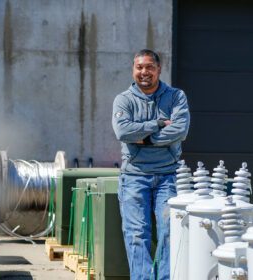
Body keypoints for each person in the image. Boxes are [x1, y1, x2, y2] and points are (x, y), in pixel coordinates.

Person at [111, 49, 190, 280]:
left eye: (149, 67)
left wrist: (143, 139)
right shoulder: (123, 100)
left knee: (168, 232)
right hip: (134, 177)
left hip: (168, 176)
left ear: (158, 69)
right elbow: (123, 131)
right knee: (136, 234)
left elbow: (180, 130)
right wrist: (157, 124)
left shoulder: (176, 97)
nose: (144, 72)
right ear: (133, 69)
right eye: (139, 67)